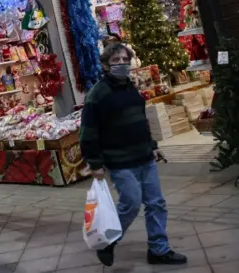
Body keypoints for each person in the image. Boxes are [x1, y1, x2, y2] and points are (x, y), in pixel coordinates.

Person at [80, 43, 187, 267]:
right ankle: (108, 241)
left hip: (145, 157)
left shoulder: (131, 88)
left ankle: (159, 250)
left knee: (156, 203)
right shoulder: (97, 94)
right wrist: (95, 163)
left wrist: (153, 145)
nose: (121, 64)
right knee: (130, 203)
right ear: (106, 64)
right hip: (120, 162)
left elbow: (141, 122)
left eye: (124, 60)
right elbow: (88, 132)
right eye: (115, 60)